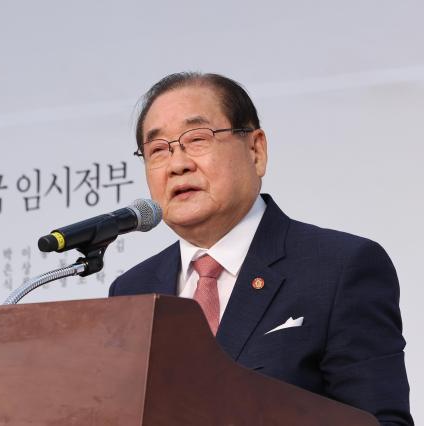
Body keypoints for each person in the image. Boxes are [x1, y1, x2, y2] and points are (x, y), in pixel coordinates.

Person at [108, 72, 412, 425]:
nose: (178, 164)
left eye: (197, 138)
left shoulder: (339, 268)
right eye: (158, 149)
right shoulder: (132, 291)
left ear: (255, 150)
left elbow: (382, 421)